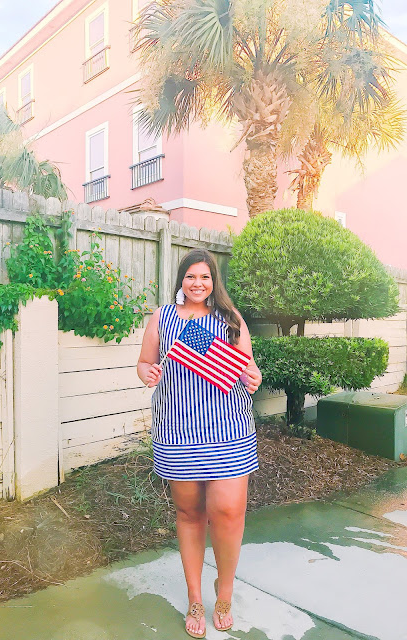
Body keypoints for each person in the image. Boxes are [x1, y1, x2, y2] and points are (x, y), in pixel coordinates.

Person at [137, 248, 262, 638]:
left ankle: (223, 593)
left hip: (228, 428)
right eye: (191, 276)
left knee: (228, 512)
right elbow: (144, 362)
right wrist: (147, 372)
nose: (197, 283)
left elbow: (248, 366)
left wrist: (254, 376)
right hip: (178, 430)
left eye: (205, 277)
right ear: (181, 280)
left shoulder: (230, 318)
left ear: (213, 282)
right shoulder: (162, 317)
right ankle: (195, 597)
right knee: (190, 513)